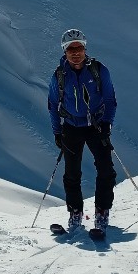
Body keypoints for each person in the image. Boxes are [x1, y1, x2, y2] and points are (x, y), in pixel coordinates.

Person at [47, 28, 118, 234]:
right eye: (71, 48)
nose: (75, 52)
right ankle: (75, 213)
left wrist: (106, 124)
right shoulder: (59, 75)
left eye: (79, 47)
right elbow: (53, 104)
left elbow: (110, 100)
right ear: (64, 51)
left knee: (106, 170)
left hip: (96, 126)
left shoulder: (98, 70)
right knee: (71, 174)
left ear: (85, 48)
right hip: (71, 128)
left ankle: (102, 212)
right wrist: (57, 132)